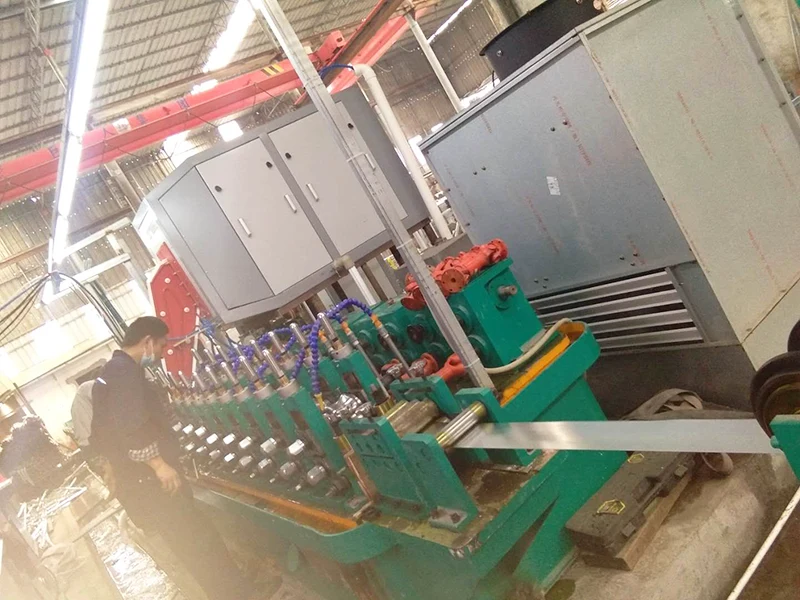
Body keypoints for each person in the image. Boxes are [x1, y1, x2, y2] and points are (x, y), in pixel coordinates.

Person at [90, 316, 259, 600]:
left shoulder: (108, 373)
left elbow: (100, 432)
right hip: (152, 481)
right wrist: (158, 464)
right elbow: (131, 426)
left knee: (187, 544)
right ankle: (237, 594)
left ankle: (225, 593)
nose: (162, 353)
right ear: (147, 342)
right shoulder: (125, 373)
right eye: (161, 346)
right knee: (199, 540)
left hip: (137, 480)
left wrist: (111, 465)